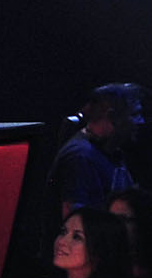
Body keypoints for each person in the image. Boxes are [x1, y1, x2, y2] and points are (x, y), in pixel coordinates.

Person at [53, 84, 141, 218]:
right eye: (134, 114)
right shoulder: (80, 157)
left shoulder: (113, 154)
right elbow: (76, 222)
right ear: (112, 116)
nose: (141, 121)